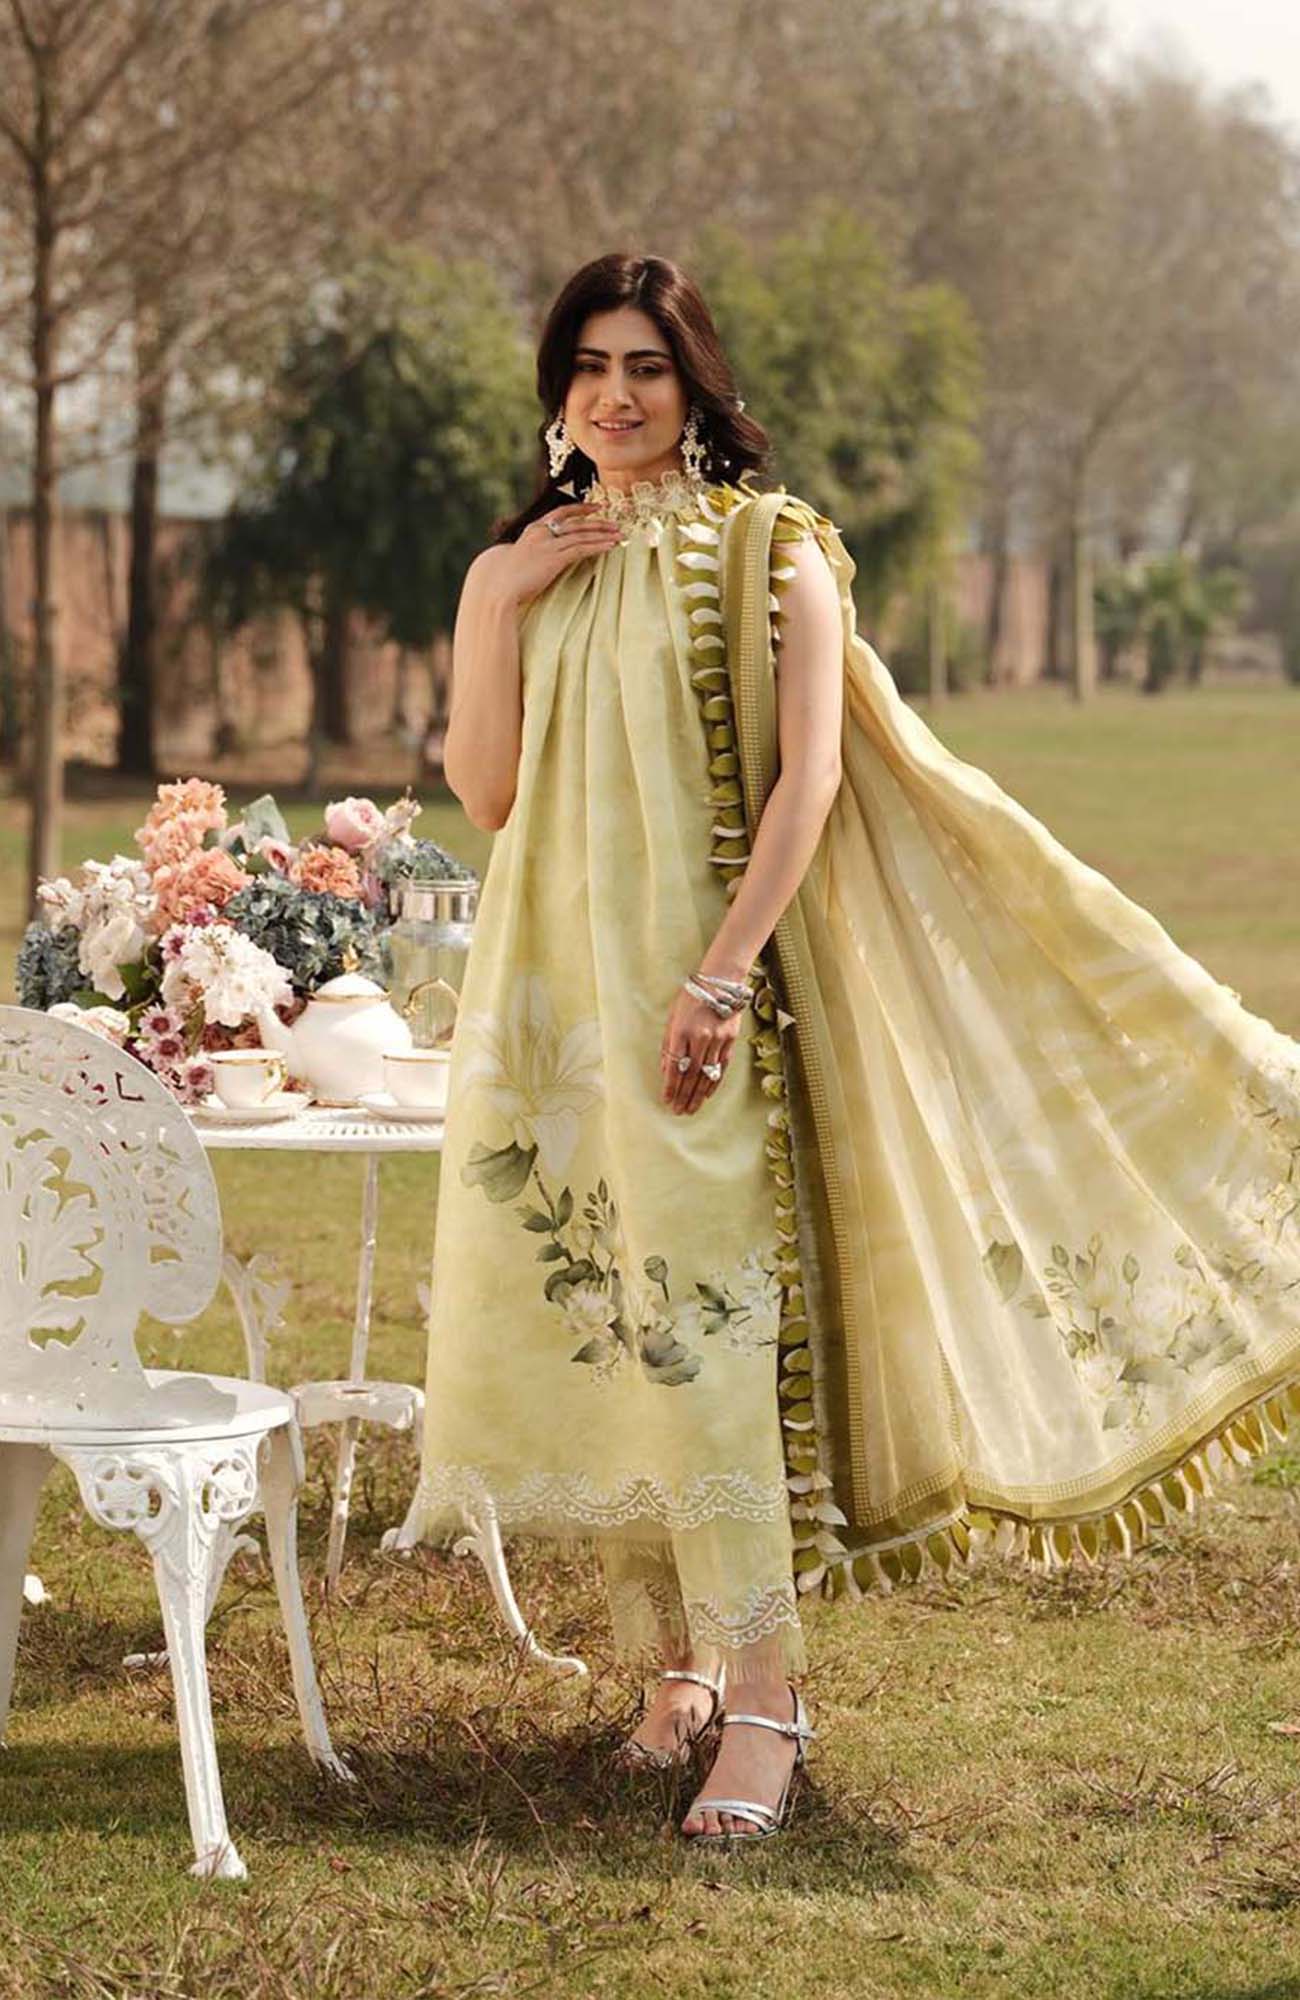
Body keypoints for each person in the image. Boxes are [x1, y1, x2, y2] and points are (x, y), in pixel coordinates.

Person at [393, 251, 1300, 1847]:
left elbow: (807, 782)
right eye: (590, 366)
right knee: (620, 1325)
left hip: (705, 997)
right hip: (558, 1006)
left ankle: (768, 1702)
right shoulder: (536, 568)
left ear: (696, 384)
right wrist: (491, 596)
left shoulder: (774, 550)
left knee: (711, 1329)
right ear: (557, 392)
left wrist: (719, 975)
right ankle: (677, 1675)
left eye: (647, 365)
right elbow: (484, 792)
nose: (615, 394)